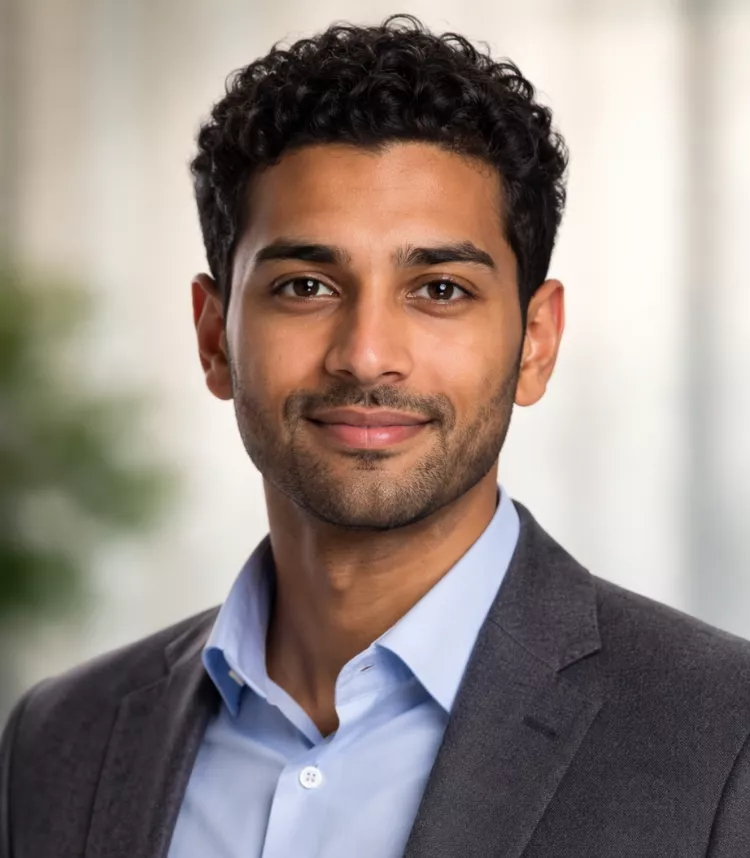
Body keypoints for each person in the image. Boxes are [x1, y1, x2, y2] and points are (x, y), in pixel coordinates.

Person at [2, 14, 750, 858]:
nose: (366, 355)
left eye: (438, 289)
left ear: (536, 343)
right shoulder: (57, 744)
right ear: (215, 337)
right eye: (307, 284)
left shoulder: (727, 742)